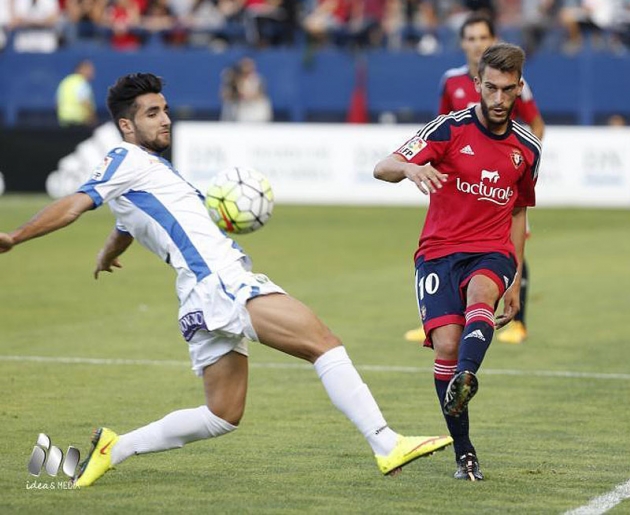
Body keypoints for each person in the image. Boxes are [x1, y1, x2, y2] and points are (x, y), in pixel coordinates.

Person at [0, 72, 452, 487]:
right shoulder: (125, 159)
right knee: (324, 343)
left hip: (198, 297)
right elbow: (76, 203)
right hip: (220, 283)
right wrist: (17, 237)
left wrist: (108, 250)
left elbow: (127, 221)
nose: (166, 120)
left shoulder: (146, 174)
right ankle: (385, 443)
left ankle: (117, 447)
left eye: (166, 110)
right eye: (152, 113)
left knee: (222, 415)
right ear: (126, 126)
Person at [374, 43, 541, 480]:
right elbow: (382, 166)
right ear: (476, 85)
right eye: (491, 88)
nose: (499, 99)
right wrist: (410, 169)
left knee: (482, 292)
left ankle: (466, 377)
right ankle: (464, 451)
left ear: (519, 88)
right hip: (438, 252)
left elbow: (520, 210)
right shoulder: (449, 129)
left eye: (507, 90)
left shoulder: (528, 149)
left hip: (492, 249)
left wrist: (516, 278)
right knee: (446, 346)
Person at [404, 12, 544, 345]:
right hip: (461, 184)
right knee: (443, 250)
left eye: (483, 38)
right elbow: (440, 128)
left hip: (503, 178)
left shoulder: (512, 82)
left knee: (509, 243)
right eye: (471, 38)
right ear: (462, 43)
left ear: (493, 40)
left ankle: (516, 320)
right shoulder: (451, 81)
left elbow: (535, 124)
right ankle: (437, 322)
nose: (477, 44)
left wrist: (519, 161)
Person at [56, 59, 97, 127]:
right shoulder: (81, 82)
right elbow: (85, 102)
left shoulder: (66, 81)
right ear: (80, 69)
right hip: (79, 123)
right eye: (89, 69)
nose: (92, 72)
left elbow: (57, 103)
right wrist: (92, 119)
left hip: (64, 123)